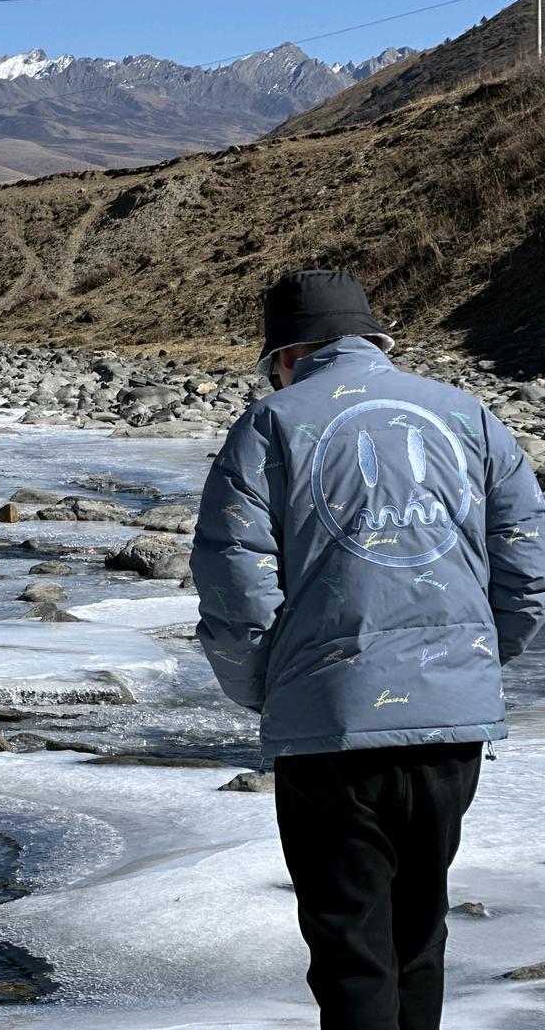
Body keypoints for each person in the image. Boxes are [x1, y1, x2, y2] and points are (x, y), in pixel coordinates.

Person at [190, 269, 545, 1030]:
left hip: (332, 728)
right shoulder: (471, 416)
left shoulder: (271, 425)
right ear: (374, 341)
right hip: (452, 727)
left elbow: (234, 582)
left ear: (285, 354)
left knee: (352, 950)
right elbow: (526, 563)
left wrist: (267, 690)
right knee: (420, 934)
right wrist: (476, 665)